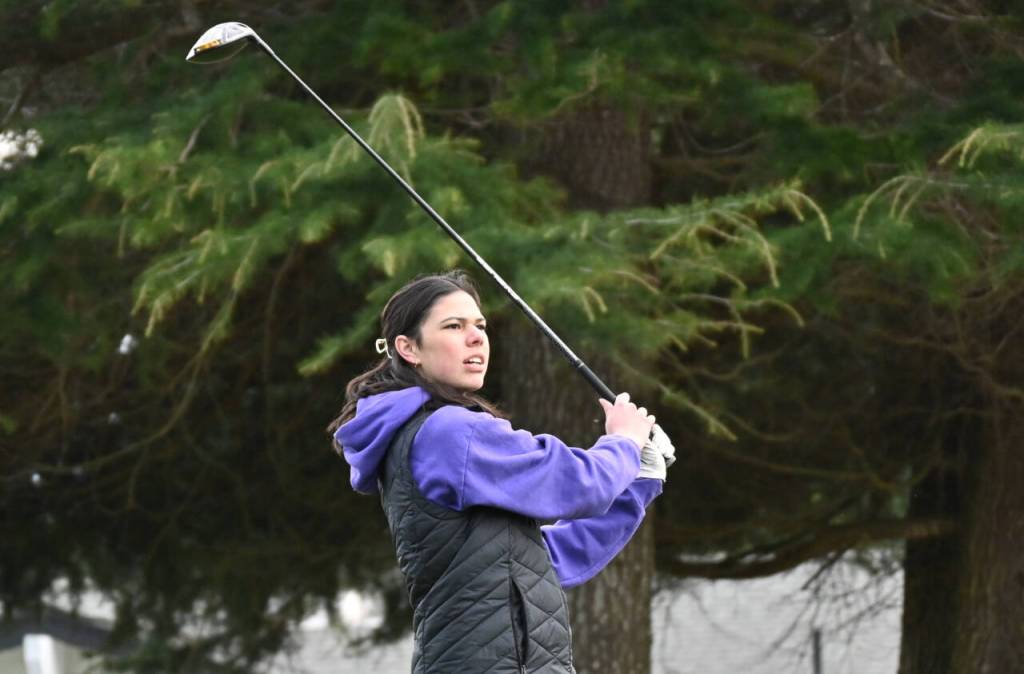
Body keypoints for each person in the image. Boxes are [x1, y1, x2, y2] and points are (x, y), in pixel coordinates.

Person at [328, 270, 673, 674]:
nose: (476, 338)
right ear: (408, 348)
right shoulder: (449, 432)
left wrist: (641, 480)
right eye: (454, 326)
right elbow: (578, 484)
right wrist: (625, 442)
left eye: (480, 326)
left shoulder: (433, 436)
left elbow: (550, 559)